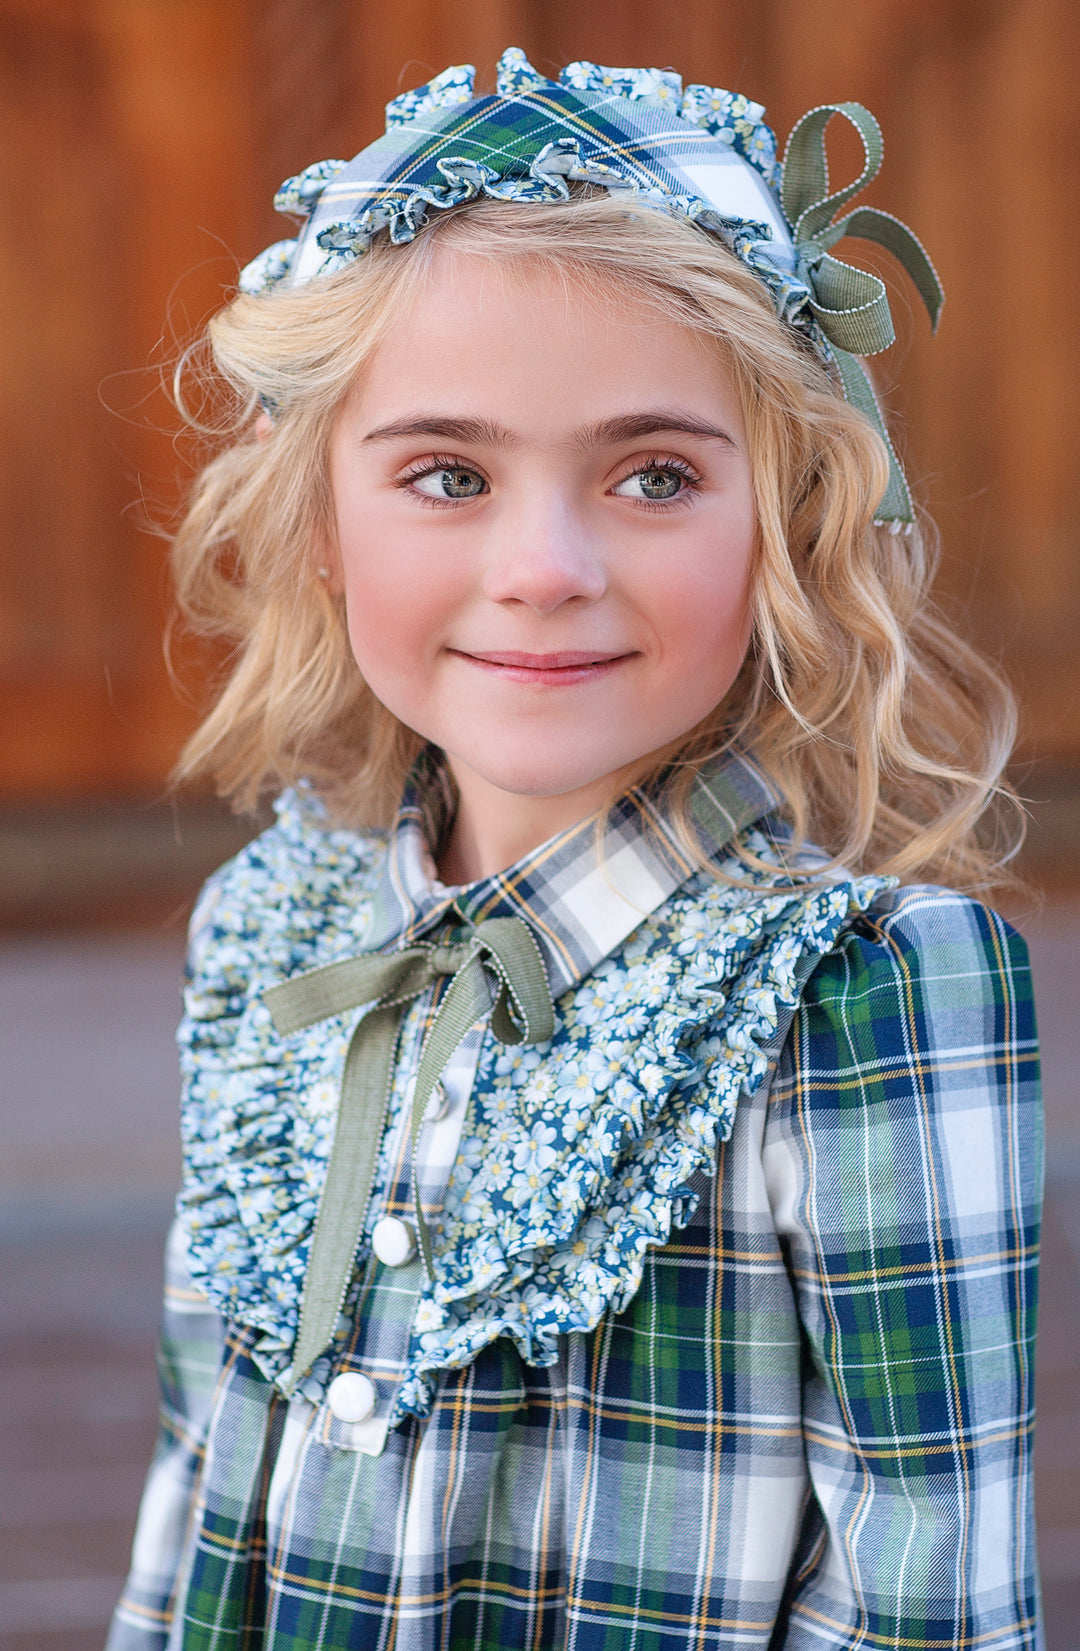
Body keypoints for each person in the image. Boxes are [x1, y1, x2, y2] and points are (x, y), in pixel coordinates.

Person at [108, 48, 1043, 1651]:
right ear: (325, 527)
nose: (543, 567)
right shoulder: (269, 930)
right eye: (449, 475)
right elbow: (198, 1483)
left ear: (789, 518)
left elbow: (928, 1595)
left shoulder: (870, 994)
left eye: (656, 475)